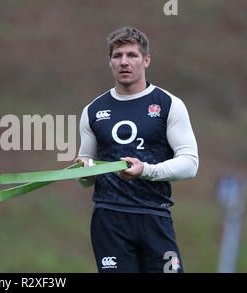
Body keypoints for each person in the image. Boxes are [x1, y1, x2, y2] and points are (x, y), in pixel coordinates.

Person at [76, 27, 198, 273]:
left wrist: (147, 171)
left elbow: (190, 163)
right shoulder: (92, 111)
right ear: (110, 62)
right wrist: (84, 173)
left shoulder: (168, 105)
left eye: (131, 55)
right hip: (109, 219)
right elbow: (85, 172)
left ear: (146, 60)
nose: (124, 62)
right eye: (117, 55)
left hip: (155, 216)